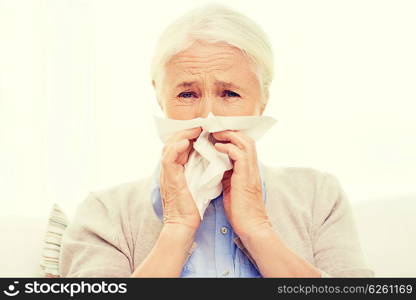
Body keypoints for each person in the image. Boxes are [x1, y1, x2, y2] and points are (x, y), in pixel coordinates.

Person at [59, 4, 374, 278]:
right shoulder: (104, 213)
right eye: (187, 94)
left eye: (230, 94)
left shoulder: (319, 197)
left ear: (262, 100)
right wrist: (177, 229)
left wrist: (257, 230)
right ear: (159, 97)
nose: (208, 117)